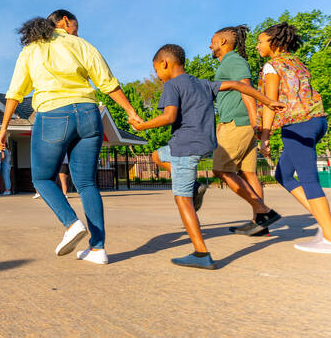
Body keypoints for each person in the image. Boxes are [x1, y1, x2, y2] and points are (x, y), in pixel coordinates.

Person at [0, 9, 143, 265]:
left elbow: (15, 92)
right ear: (65, 21)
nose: (78, 27)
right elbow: (107, 83)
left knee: (42, 178)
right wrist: (131, 111)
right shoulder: (81, 44)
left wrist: (3, 127)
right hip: (88, 113)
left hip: (54, 114)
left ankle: (71, 223)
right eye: (77, 22)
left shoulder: (31, 50)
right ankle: (98, 249)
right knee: (86, 183)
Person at [130, 44, 285, 269]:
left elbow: (169, 116)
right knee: (157, 155)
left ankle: (201, 253)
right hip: (203, 143)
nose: (157, 75)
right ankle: (199, 188)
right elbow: (237, 85)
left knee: (182, 200)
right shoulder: (201, 83)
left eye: (156, 70)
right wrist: (267, 101)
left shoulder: (172, 85)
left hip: (185, 147)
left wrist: (142, 126)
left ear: (165, 63)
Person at [256, 22, 331, 253]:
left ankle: (329, 236)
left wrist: (264, 136)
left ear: (274, 43)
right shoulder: (297, 62)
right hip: (317, 121)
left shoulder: (272, 66)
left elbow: (271, 103)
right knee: (283, 174)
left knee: (308, 180)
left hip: (298, 125)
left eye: (260, 41)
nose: (257, 46)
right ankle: (325, 222)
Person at [210, 25, 281, 235]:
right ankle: (260, 224)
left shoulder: (234, 61)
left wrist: (253, 120)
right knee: (248, 173)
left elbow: (247, 89)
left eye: (213, 40)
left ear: (223, 42)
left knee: (221, 169)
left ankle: (263, 211)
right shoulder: (229, 62)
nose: (210, 44)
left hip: (236, 122)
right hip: (242, 122)